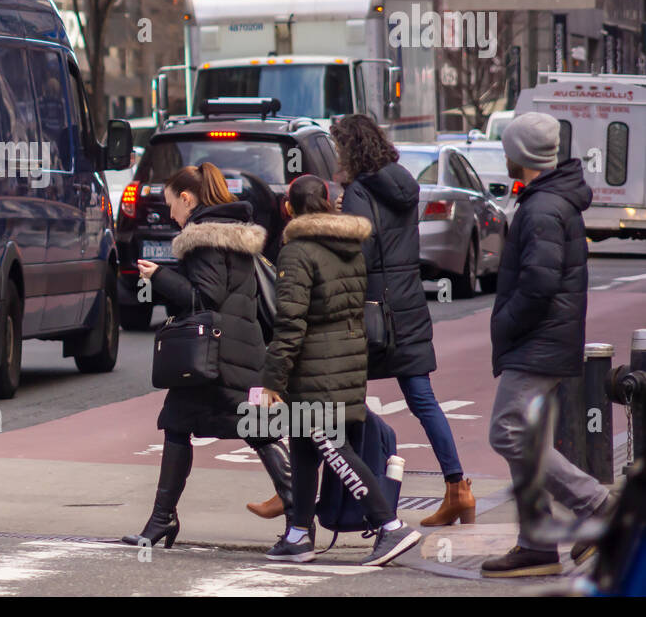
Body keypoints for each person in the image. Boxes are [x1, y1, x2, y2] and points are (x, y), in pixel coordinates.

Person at [123, 162, 293, 548]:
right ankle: (162, 519)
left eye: (172, 205)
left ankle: (296, 508)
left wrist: (159, 277)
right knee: (188, 423)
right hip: (233, 349)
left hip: (216, 355)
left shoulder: (203, 238)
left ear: (187, 198)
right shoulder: (232, 233)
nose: (171, 215)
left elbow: (204, 297)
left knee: (245, 428)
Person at [261, 175, 421, 566]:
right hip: (346, 360)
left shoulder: (297, 252)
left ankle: (390, 526)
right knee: (303, 446)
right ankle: (299, 534)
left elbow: (291, 322)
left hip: (316, 368)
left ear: (288, 208)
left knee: (335, 450)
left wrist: (272, 380)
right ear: (328, 202)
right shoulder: (350, 246)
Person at [481, 112, 611, 578]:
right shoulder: (550, 199)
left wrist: (506, 325)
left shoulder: (542, 207)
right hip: (545, 339)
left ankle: (596, 506)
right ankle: (536, 543)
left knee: (508, 432)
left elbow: (539, 282)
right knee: (525, 437)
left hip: (538, 339)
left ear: (520, 154)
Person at [330, 114, 473, 526]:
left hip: (372, 312)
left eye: (339, 147)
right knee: (423, 400)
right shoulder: (403, 185)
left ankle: (300, 498)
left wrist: (340, 221)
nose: (336, 155)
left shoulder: (358, 191)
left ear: (351, 149)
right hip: (407, 306)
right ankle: (457, 489)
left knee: (331, 397)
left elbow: (359, 255)